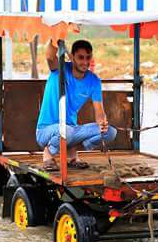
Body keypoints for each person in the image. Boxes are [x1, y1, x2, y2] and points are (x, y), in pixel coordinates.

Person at [36, 39, 117, 171]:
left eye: (88, 57)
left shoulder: (94, 80)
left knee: (110, 132)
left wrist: (102, 122)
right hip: (47, 131)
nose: (85, 62)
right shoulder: (59, 69)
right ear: (72, 57)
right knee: (66, 131)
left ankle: (71, 151)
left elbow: (99, 111)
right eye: (80, 57)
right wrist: (57, 34)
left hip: (71, 130)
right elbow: (50, 57)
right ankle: (48, 153)